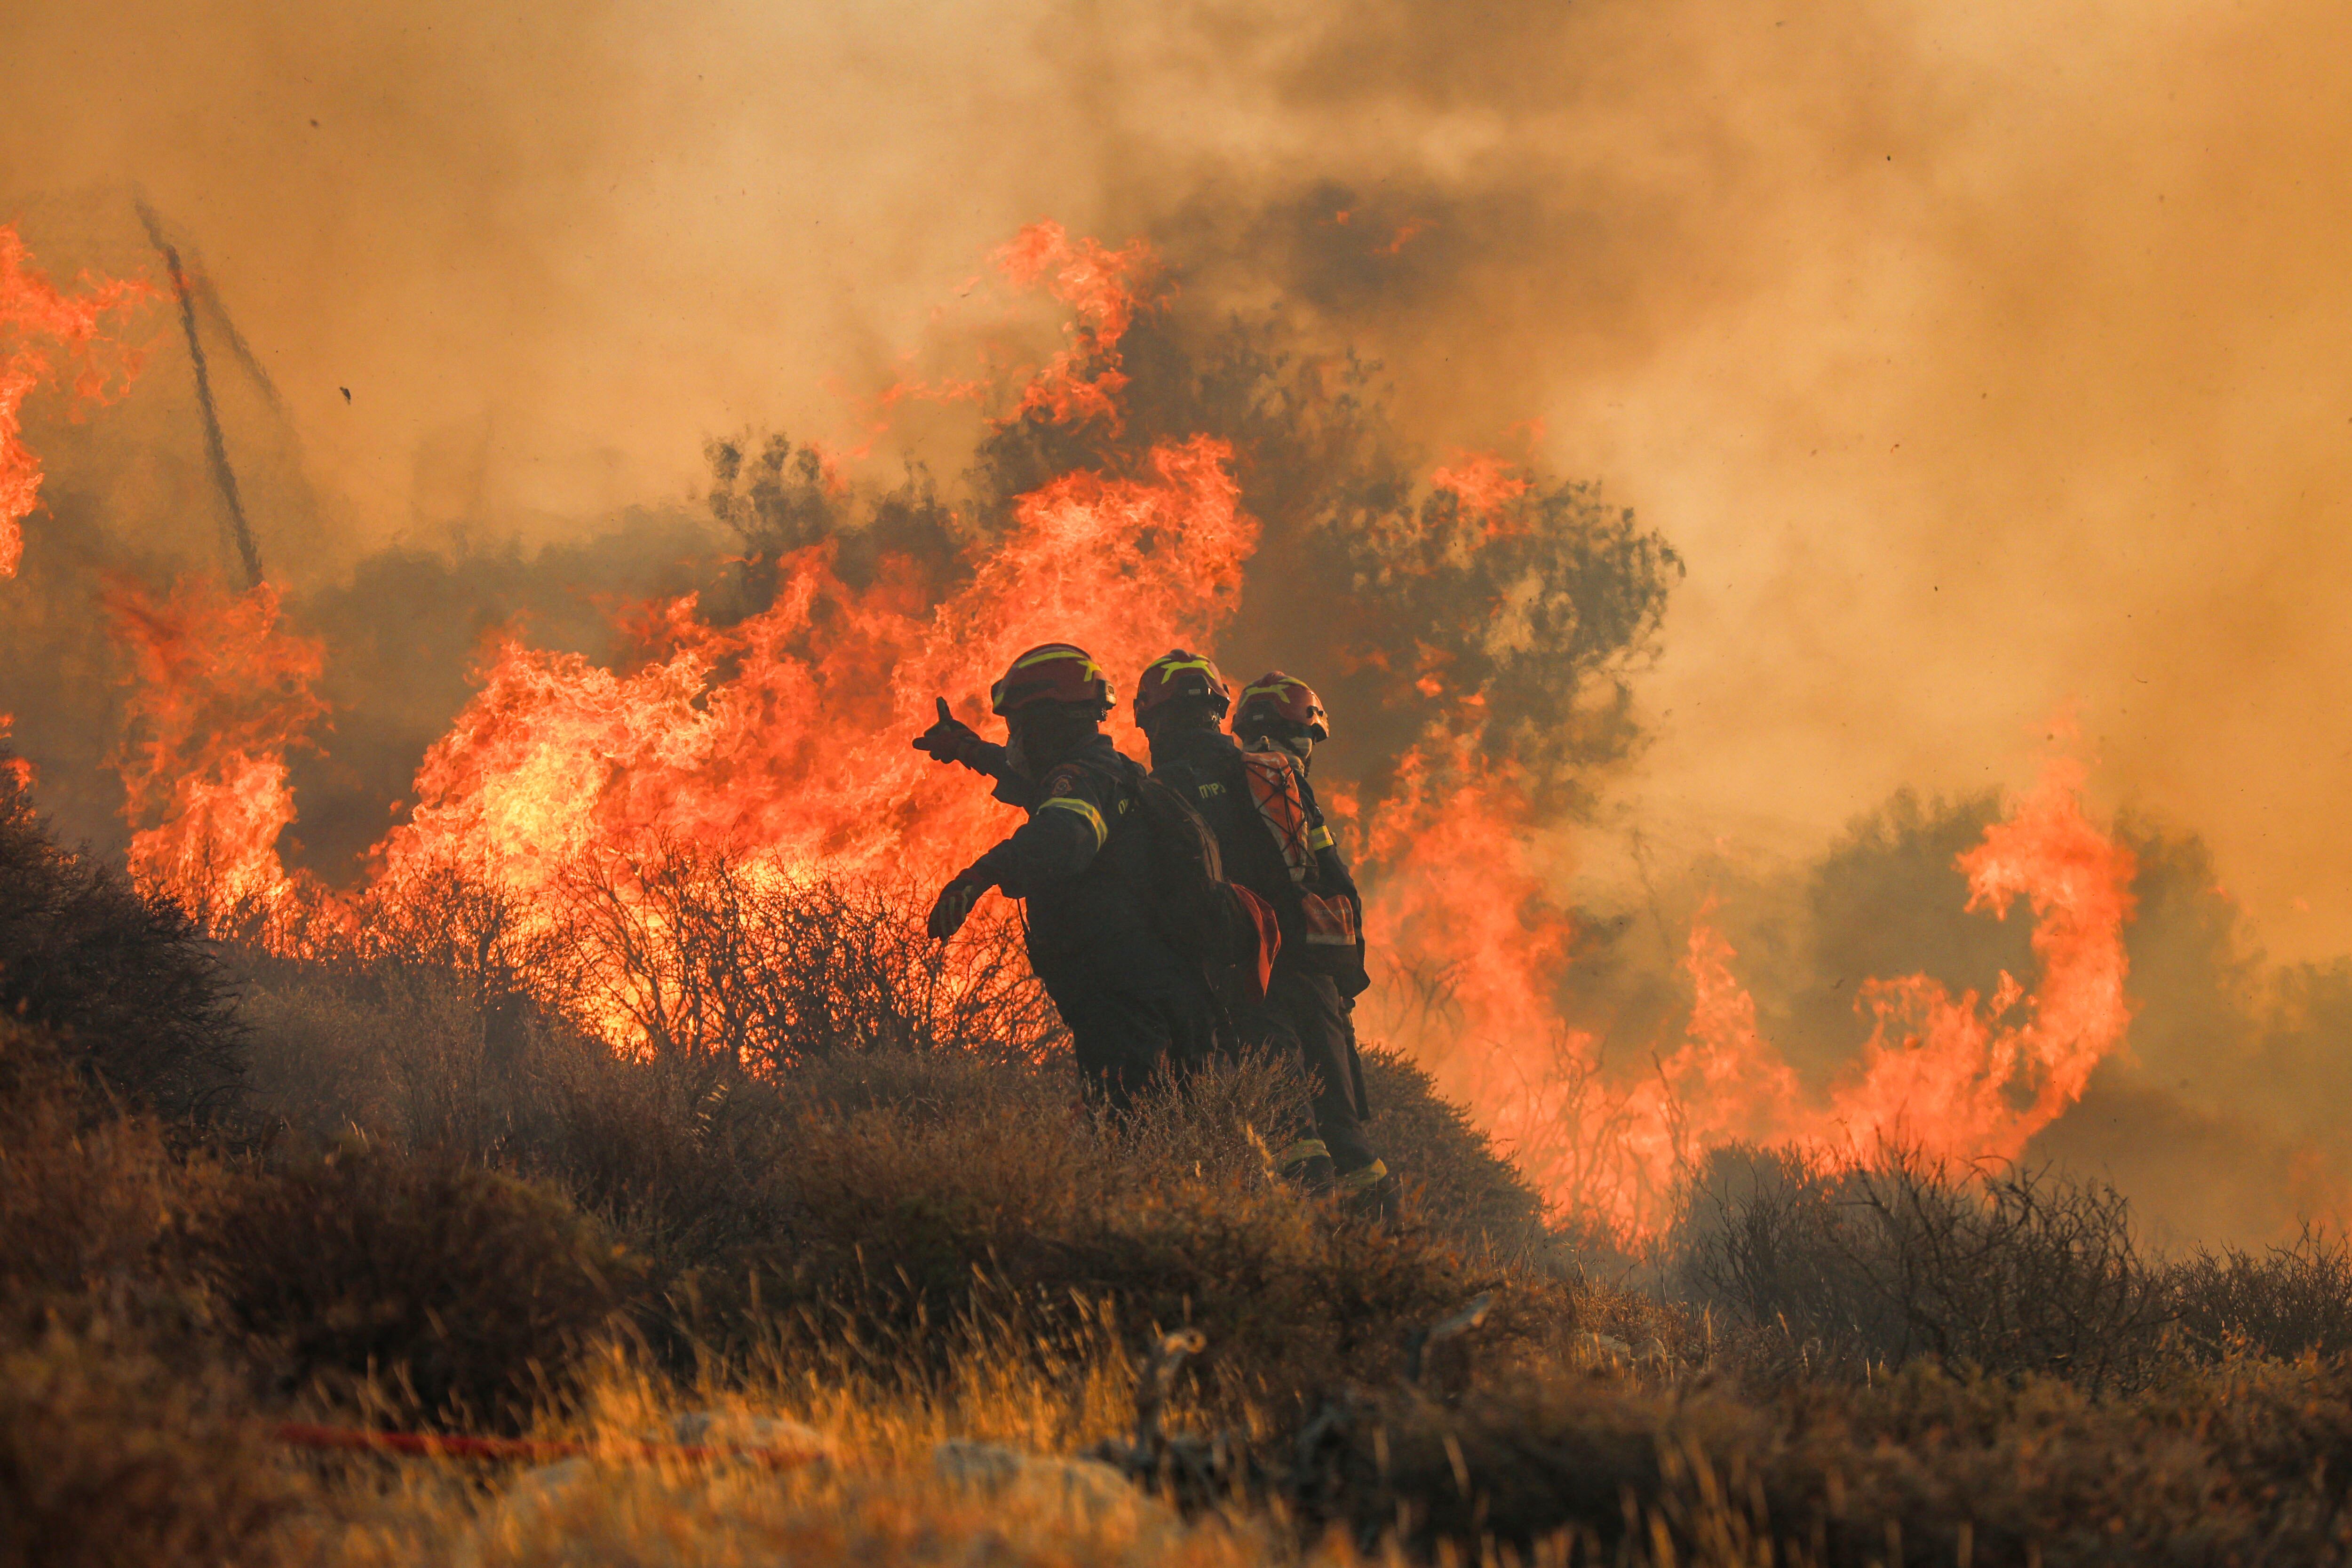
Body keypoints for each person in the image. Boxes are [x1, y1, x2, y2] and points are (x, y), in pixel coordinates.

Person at [1133, 652, 1393, 1218]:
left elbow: (1159, 903)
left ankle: (1315, 1259)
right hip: (1315, 975)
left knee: (1290, 1130)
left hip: (1244, 976)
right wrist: (1344, 980)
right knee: (1345, 1134)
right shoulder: (1278, 780)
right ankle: (1392, 1257)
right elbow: (1339, 888)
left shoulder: (1160, 791)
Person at [915, 644, 1219, 1109]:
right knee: (1173, 1129)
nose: (1015, 739)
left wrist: (979, 875)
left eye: (1019, 727)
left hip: (1125, 996)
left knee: (1131, 1127)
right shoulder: (1104, 771)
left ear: (1050, 722)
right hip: (1150, 987)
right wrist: (967, 749)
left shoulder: (1085, 780)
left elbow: (1061, 835)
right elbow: (1037, 787)